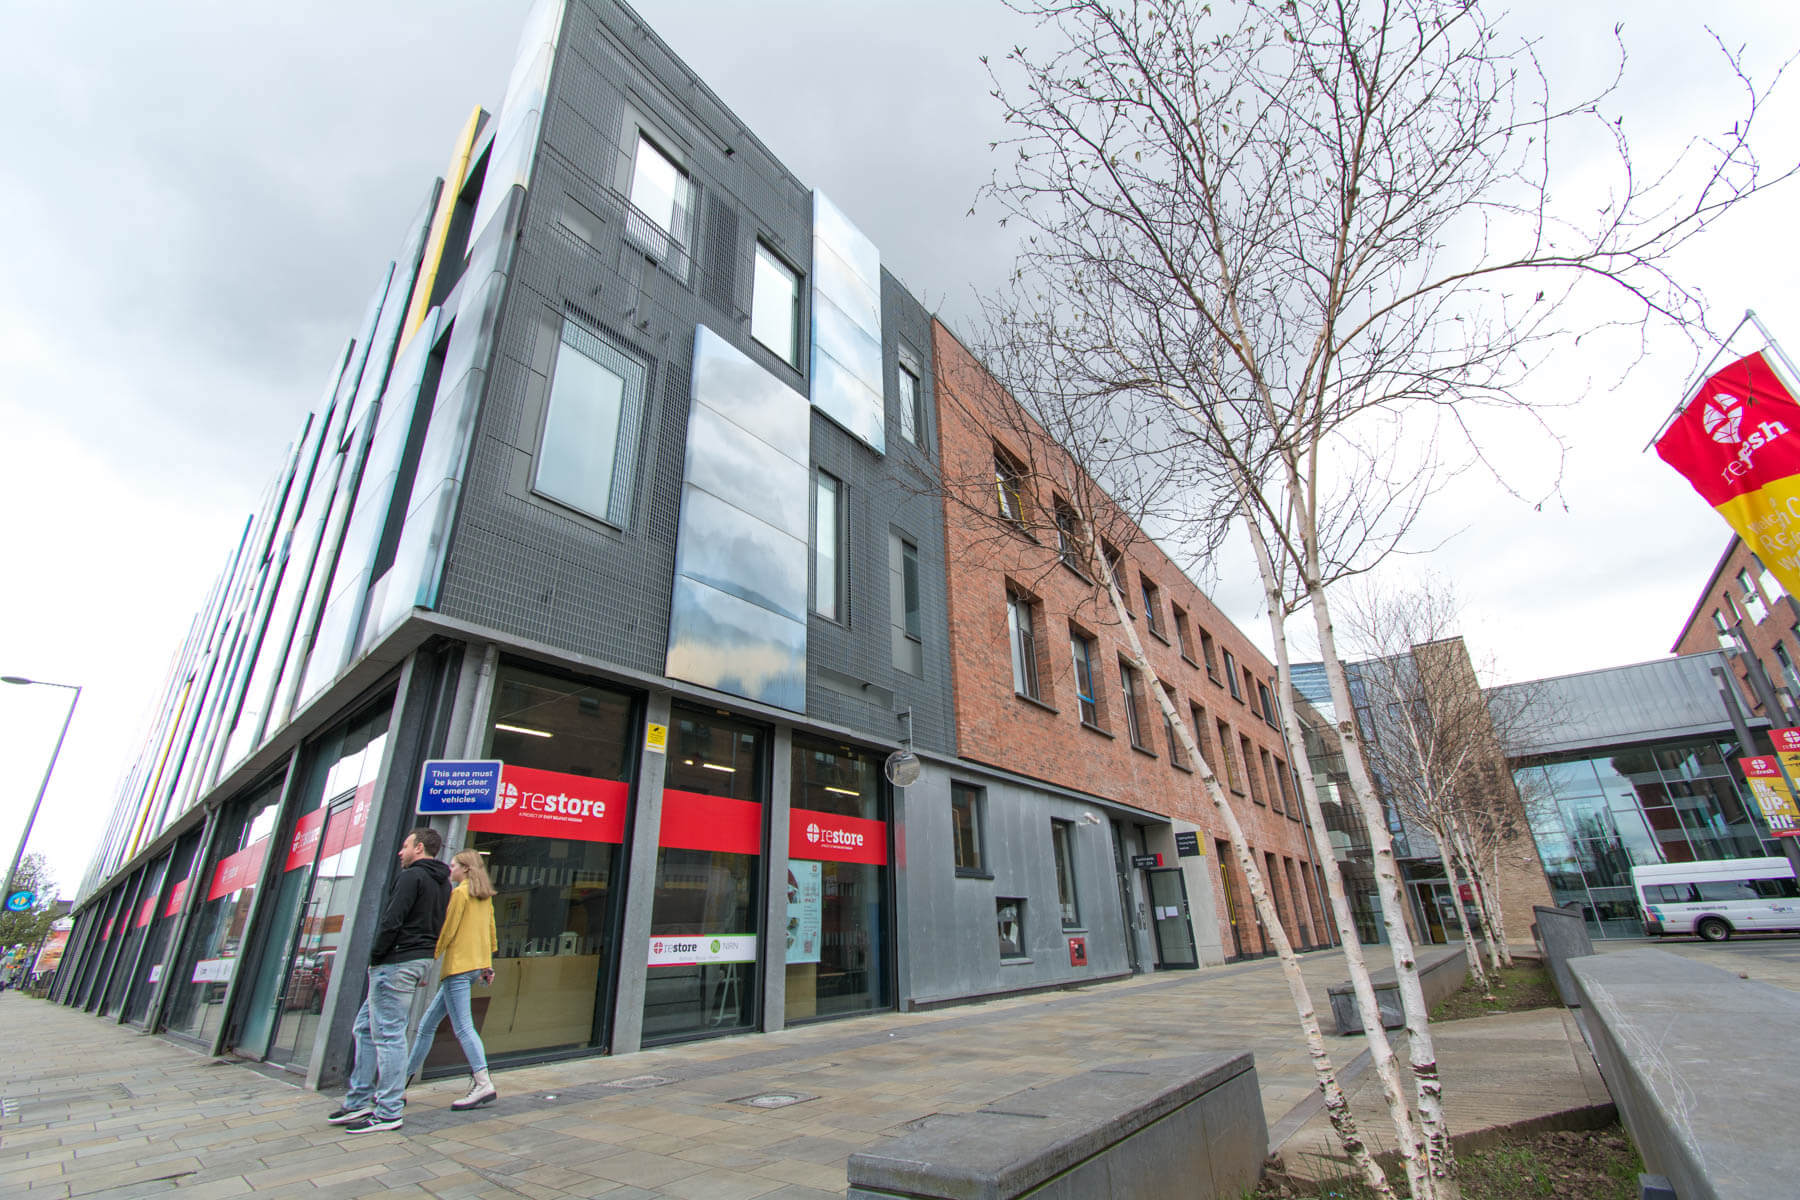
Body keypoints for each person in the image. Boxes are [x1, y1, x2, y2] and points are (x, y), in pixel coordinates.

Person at [327, 826, 451, 1134]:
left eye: (406, 845)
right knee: (366, 1027)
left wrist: (376, 955)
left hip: (396, 960)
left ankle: (388, 1110)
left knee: (388, 1034)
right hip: (417, 958)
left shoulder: (411, 877)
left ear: (420, 848)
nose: (400, 851)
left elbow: (392, 919)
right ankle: (358, 1100)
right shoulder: (443, 883)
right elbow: (439, 924)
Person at [403, 848, 500, 1110]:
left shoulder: (460, 894)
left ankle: (483, 1082)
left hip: (457, 969)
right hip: (471, 969)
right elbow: (490, 933)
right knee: (425, 1026)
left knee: (463, 1028)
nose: (450, 869)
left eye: (454, 865)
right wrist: (486, 966)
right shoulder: (484, 897)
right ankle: (400, 1083)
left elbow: (448, 930)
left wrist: (428, 959)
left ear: (466, 869)